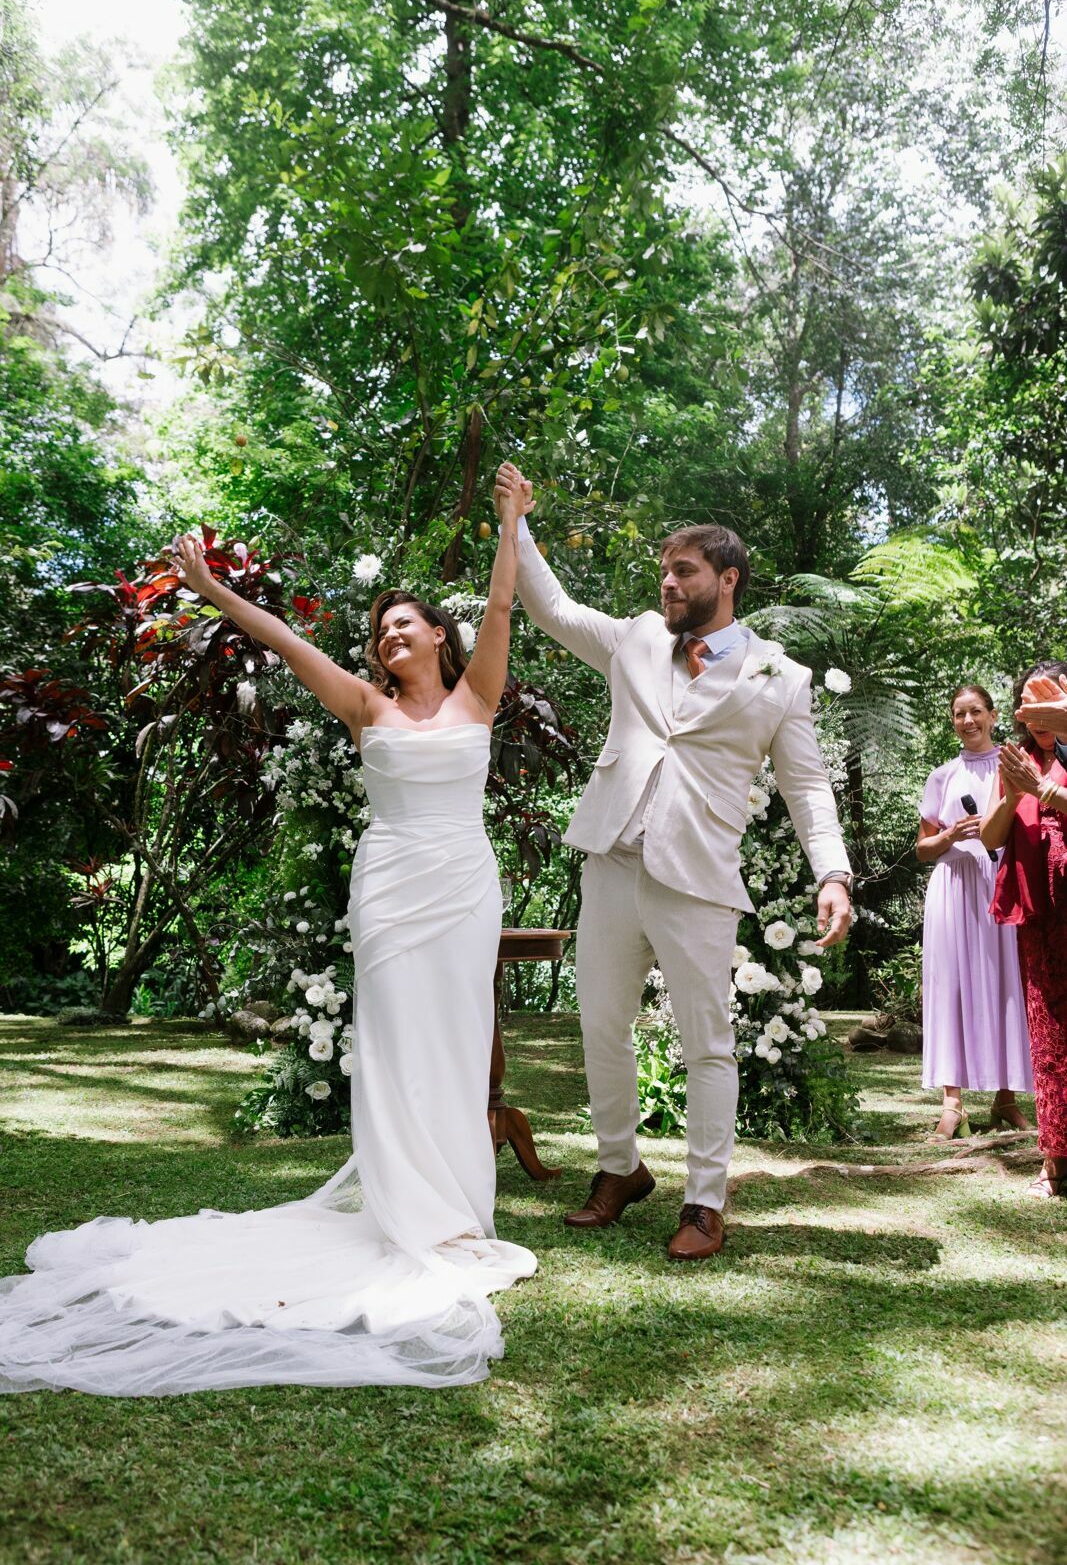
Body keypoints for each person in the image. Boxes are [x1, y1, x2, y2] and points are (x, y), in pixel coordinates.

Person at [0, 489, 537, 1395]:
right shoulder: (364, 706)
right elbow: (286, 642)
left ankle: (455, 1211)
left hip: (462, 887)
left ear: (438, 636)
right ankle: (409, 1216)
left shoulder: (478, 694)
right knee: (397, 1044)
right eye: (381, 631)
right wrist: (211, 589)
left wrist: (510, 522)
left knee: (456, 1041)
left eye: (403, 625)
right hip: (390, 887)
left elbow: (500, 605)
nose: (388, 638)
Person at [493, 463, 852, 1260]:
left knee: (706, 1043)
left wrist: (832, 872)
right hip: (611, 861)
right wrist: (517, 522)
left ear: (726, 580)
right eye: (663, 569)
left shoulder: (780, 678)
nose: (666, 582)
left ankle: (703, 1201)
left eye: (682, 570)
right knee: (600, 1026)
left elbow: (806, 786)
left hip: (697, 877)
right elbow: (551, 609)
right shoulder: (635, 638)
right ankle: (619, 1169)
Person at [916, 686, 1031, 1140]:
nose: (968, 721)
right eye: (959, 714)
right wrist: (950, 836)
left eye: (976, 712)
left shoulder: (1015, 764)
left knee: (1008, 984)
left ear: (993, 715)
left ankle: (1006, 1099)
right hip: (953, 889)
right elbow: (923, 849)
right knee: (952, 987)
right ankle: (953, 1104)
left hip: (1003, 883)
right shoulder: (942, 775)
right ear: (952, 721)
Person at [983, 660, 1067, 1200]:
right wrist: (1017, 794)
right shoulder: (1016, 762)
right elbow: (991, 837)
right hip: (1040, 914)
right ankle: (1054, 1160)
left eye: (1050, 706)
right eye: (1030, 709)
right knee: (1049, 1035)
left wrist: (1046, 790)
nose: (1040, 720)